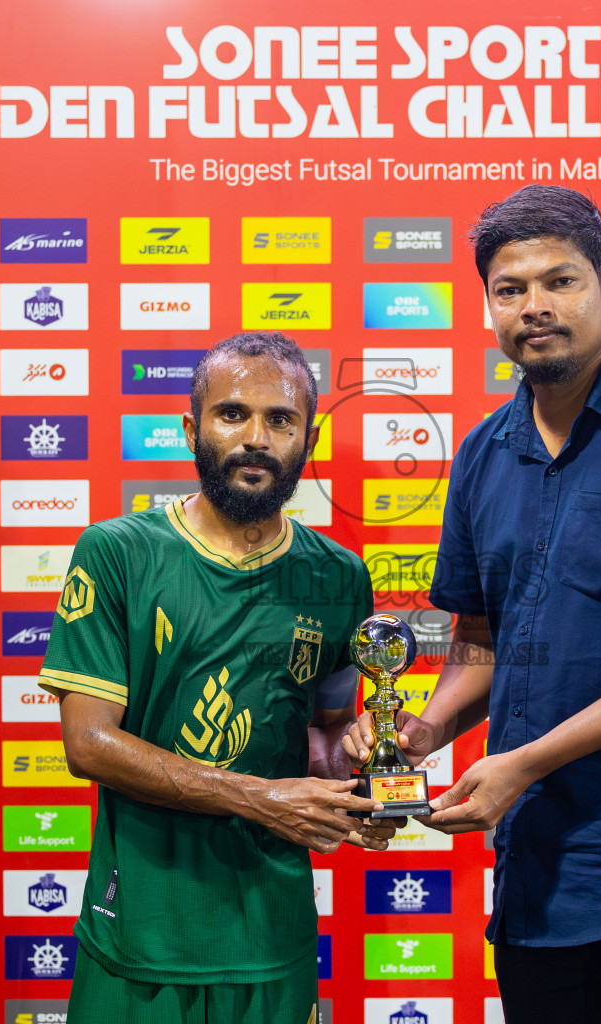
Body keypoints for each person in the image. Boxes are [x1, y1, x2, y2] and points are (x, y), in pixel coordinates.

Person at [344, 185, 601, 1024]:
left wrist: (528, 761)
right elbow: (482, 641)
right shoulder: (479, 455)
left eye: (560, 281)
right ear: (488, 308)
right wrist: (424, 731)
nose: (534, 307)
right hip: (541, 864)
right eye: (510, 290)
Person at [42, 331, 389, 1024]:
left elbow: (320, 741)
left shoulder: (338, 575)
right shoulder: (117, 554)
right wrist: (260, 798)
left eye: (281, 419)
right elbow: (87, 745)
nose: (256, 436)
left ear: (309, 440)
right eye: (233, 414)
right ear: (189, 428)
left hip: (272, 931)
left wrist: (361, 782)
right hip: (140, 932)